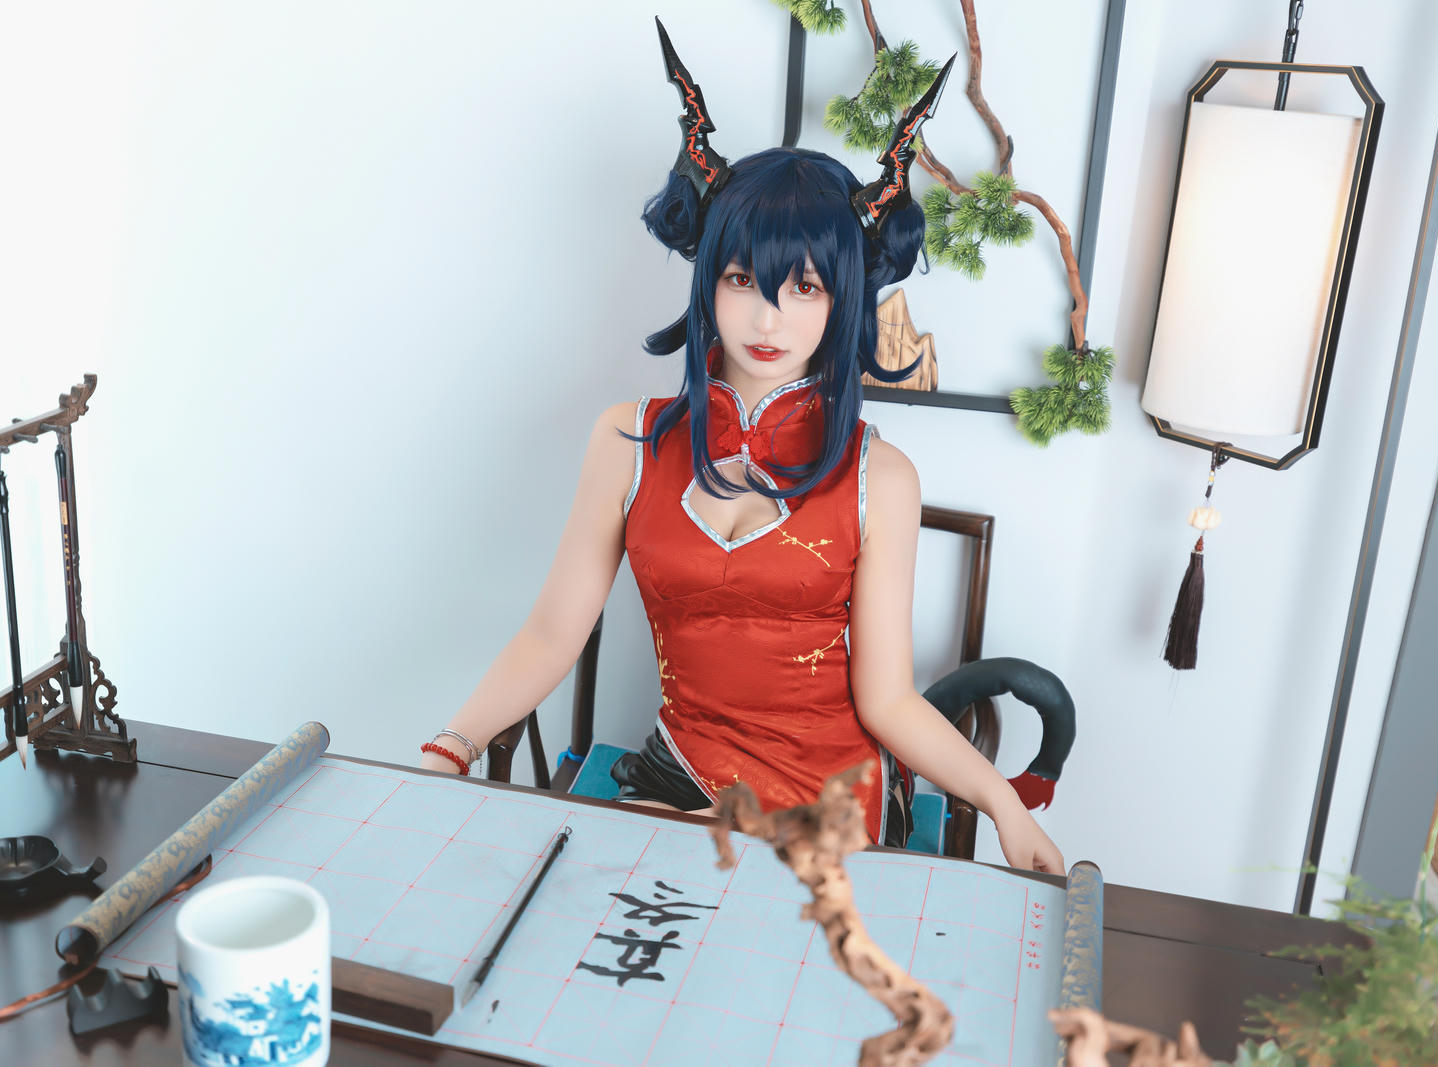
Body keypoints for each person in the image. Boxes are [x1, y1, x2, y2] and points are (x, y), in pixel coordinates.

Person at [420, 22, 1062, 873]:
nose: (767, 317)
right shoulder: (626, 439)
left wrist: (1004, 804)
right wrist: (453, 744)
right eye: (741, 280)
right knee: (609, 901)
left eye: (805, 287)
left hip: (827, 792)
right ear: (709, 282)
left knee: (748, 916)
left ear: (842, 298)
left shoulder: (882, 476)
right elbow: (549, 635)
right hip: (685, 769)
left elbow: (889, 699)